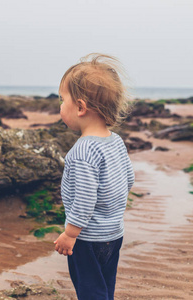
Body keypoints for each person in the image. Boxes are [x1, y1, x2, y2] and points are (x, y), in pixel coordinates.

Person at [54, 53, 135, 300]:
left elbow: (85, 199)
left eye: (62, 99)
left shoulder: (82, 151)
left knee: (90, 291)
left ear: (80, 107)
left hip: (87, 239)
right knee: (104, 287)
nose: (60, 106)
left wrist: (70, 234)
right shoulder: (116, 141)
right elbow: (128, 180)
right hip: (114, 234)